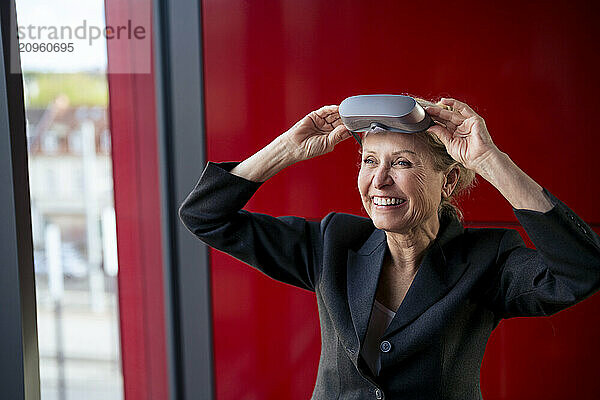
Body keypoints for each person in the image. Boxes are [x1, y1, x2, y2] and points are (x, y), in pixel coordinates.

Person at [178, 97, 600, 399]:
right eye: (368, 160)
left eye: (401, 162)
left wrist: (489, 160)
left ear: (448, 182)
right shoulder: (331, 242)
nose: (378, 181)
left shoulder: (487, 260)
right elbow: (205, 215)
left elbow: (582, 270)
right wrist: (288, 148)